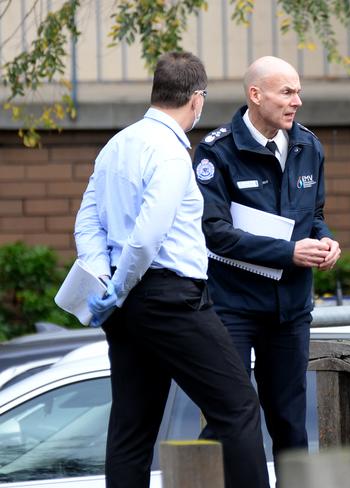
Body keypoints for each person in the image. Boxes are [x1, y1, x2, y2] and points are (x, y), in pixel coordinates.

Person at [75, 52, 269, 488]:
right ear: (197, 100)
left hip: (124, 305)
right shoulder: (170, 153)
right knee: (238, 408)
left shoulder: (117, 144)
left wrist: (102, 277)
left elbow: (87, 220)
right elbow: (147, 237)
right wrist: (120, 286)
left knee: (132, 426)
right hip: (169, 299)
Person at [192, 56, 341, 466]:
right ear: (255, 95)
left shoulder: (309, 146)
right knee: (232, 420)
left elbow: (315, 216)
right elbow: (214, 233)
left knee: (291, 424)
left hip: (291, 311)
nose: (297, 101)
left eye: (298, 92)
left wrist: (326, 242)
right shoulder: (216, 152)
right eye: (287, 92)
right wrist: (288, 253)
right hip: (234, 308)